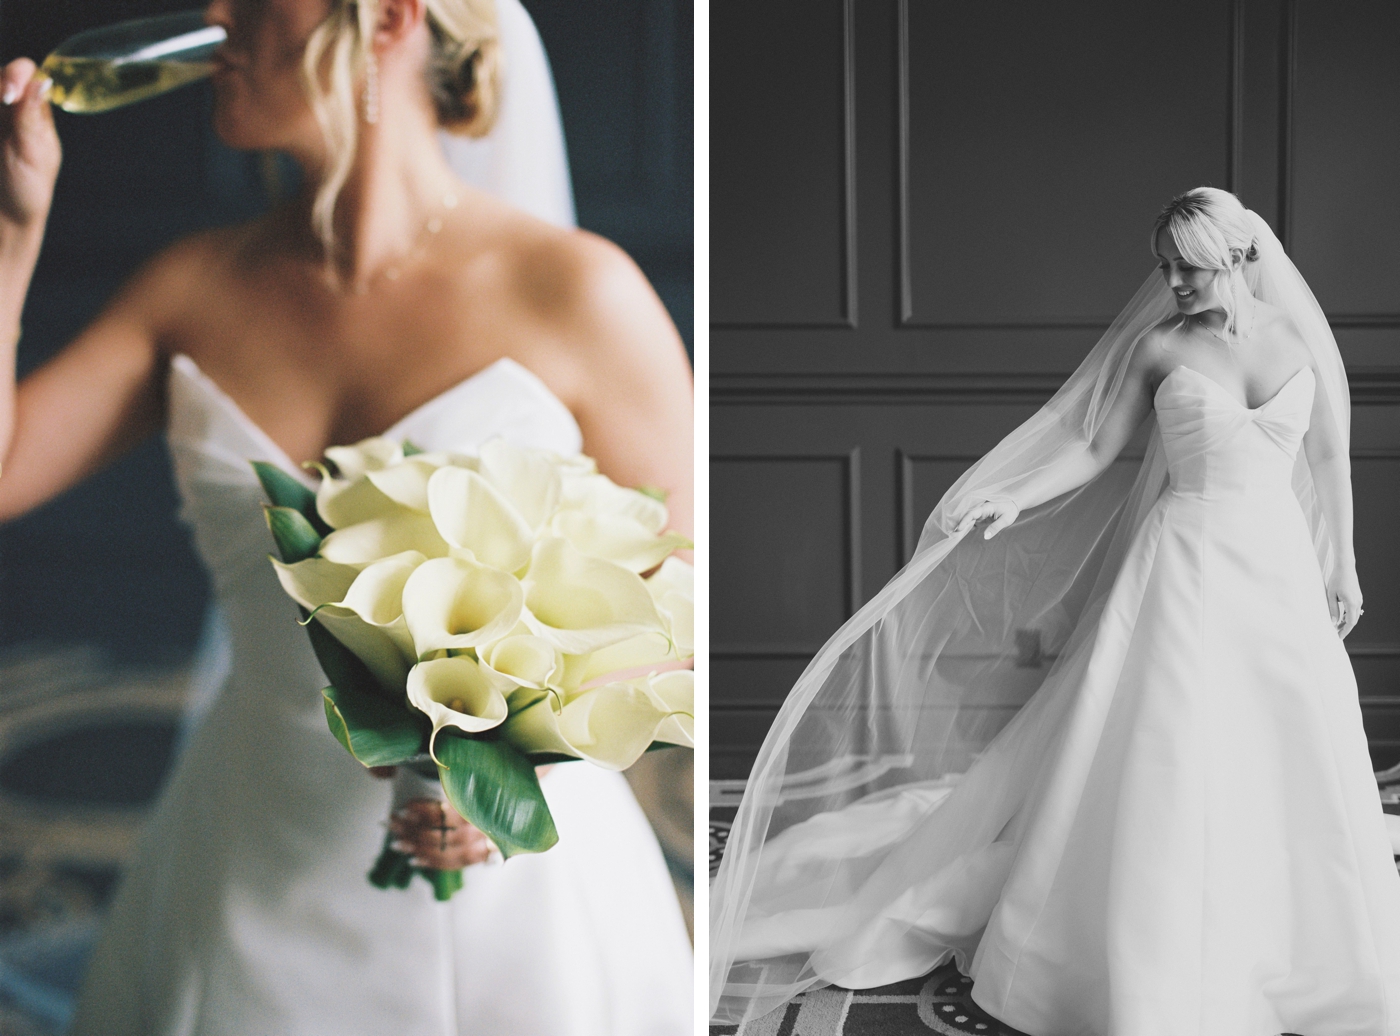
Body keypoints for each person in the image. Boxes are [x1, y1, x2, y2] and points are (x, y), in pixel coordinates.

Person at [0, 0, 694, 1032]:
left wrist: (521, 762)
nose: (214, 15)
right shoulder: (189, 288)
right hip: (248, 842)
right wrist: (11, 234)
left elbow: (685, 601)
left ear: (389, 18)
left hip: (514, 880)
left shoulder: (577, 290)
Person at [710, 187, 1400, 1034]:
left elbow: (1330, 455)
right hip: (1183, 565)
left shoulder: (1298, 339)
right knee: (1169, 746)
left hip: (1280, 565)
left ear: (1235, 260)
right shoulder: (1159, 347)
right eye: (1165, 265)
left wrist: (1346, 562)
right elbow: (1092, 447)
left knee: (1286, 740)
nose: (1172, 281)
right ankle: (1144, 942)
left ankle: (1296, 943)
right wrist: (1010, 498)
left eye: (1187, 265)